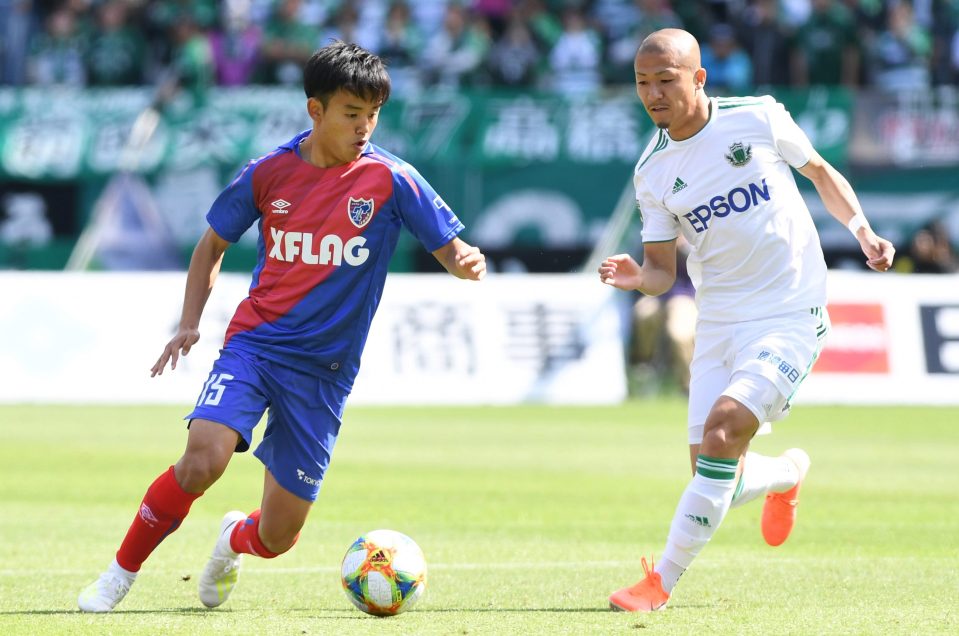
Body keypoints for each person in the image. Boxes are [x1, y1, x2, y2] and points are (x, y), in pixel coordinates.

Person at [77, 41, 486, 613]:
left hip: (324, 374)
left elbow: (453, 250)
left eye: (373, 114)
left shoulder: (393, 180)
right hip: (256, 347)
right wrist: (189, 323)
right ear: (315, 111)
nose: (365, 127)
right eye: (351, 113)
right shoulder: (268, 173)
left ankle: (231, 540)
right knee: (202, 459)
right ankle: (117, 576)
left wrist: (467, 261)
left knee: (276, 538)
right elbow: (212, 245)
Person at [598, 28, 894, 612]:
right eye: (642, 83)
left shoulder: (757, 116)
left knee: (723, 430)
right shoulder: (653, 172)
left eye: (666, 80)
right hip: (720, 322)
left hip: (789, 311)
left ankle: (659, 582)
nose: (653, 94)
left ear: (698, 78)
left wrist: (862, 231)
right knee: (714, 473)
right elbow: (661, 271)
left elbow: (821, 173)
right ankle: (786, 473)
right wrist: (639, 277)